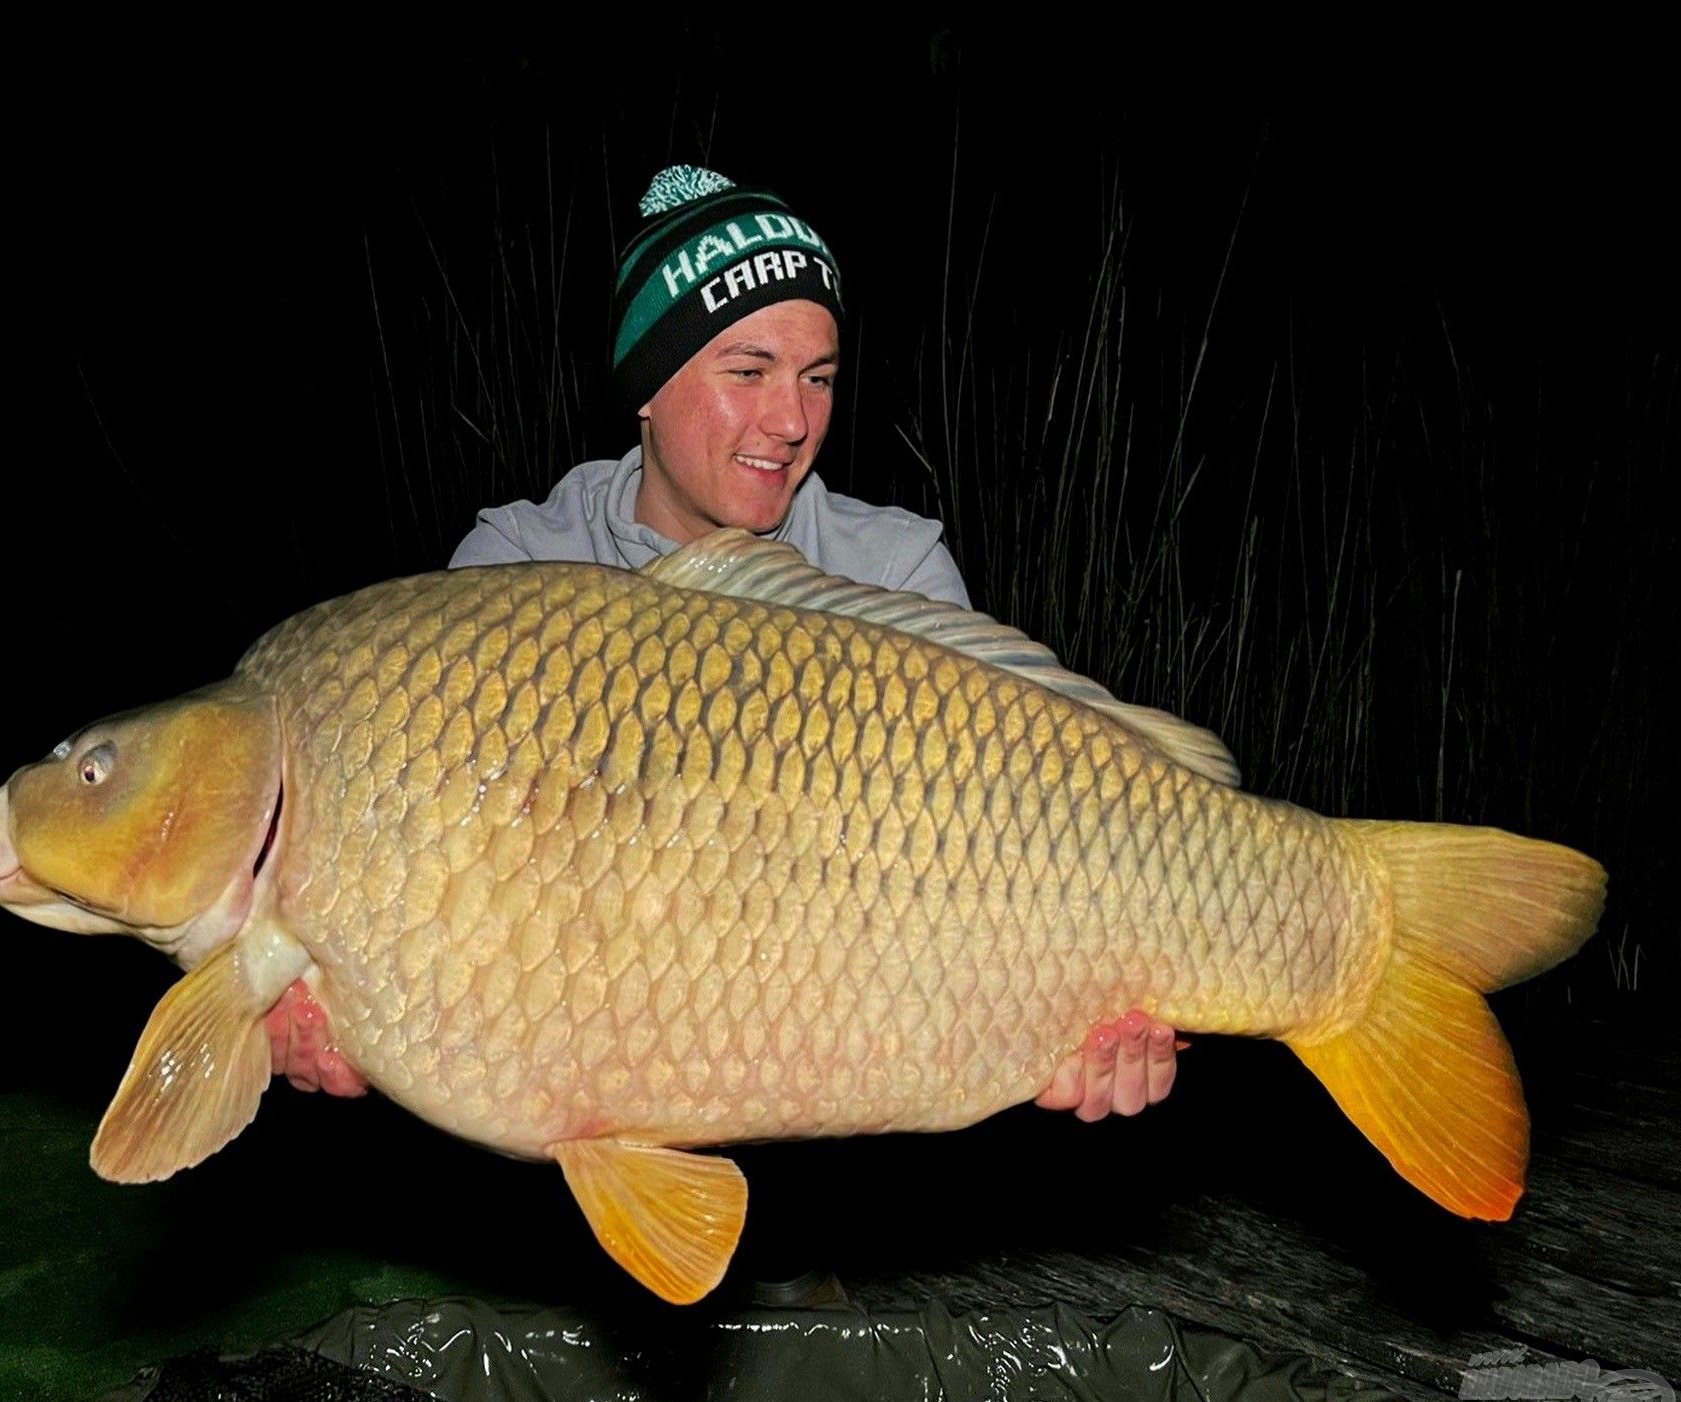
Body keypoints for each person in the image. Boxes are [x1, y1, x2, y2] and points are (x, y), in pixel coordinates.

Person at [270, 167, 1179, 1125]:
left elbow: (1003, 862)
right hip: (574, 1077)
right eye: (748, 372)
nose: (791, 422)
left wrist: (1075, 1014)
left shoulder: (893, 571)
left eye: (817, 378)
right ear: (647, 387)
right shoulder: (517, 571)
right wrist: (333, 993)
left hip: (837, 1061)